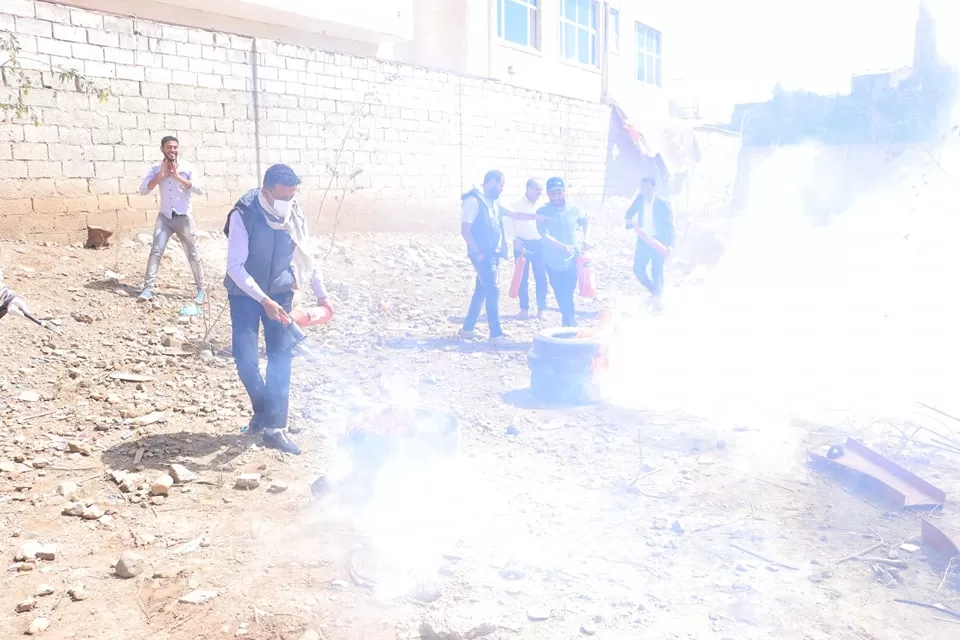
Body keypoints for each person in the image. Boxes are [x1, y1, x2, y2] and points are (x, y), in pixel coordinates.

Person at [223, 164, 332, 455]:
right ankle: (262, 408)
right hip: (245, 293)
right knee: (245, 358)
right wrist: (263, 300)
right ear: (267, 192)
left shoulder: (294, 213)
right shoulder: (243, 214)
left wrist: (323, 296)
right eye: (283, 197)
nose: (288, 202)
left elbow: (306, 256)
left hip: (280, 292)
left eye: (293, 195)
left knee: (281, 358)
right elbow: (235, 266)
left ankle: (275, 428)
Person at [137, 136, 205, 303]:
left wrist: (176, 177)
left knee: (192, 254)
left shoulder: (187, 168)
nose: (172, 150)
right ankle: (147, 289)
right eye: (169, 147)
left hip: (184, 218)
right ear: (162, 149)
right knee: (156, 251)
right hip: (165, 217)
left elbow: (199, 189)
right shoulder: (156, 169)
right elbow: (143, 190)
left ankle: (201, 290)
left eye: (175, 147)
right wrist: (160, 177)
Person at [459, 170, 508, 343]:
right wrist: (477, 251)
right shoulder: (473, 201)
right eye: (500, 184)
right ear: (490, 182)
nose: (502, 189)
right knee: (493, 290)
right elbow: (465, 230)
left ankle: (468, 328)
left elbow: (509, 215)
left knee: (481, 290)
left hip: (491, 254)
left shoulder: (493, 203)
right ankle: (495, 334)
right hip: (482, 256)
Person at [537, 177, 589, 327]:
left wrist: (585, 239)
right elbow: (544, 235)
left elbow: (585, 222)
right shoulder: (542, 212)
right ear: (548, 194)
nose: (556, 197)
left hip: (572, 260)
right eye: (552, 194)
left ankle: (568, 323)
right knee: (560, 293)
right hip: (553, 261)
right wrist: (561, 247)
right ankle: (570, 323)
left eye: (559, 193)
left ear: (565, 192)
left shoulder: (574, 209)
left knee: (569, 293)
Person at [502, 178, 547, 320]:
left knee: (541, 277)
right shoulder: (515, 205)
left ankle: (541, 309)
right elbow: (508, 223)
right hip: (522, 245)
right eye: (537, 190)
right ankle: (524, 308)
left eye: (541, 191)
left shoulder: (544, 206)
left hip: (540, 245)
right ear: (528, 189)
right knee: (522, 277)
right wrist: (514, 240)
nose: (539, 193)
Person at [625, 176, 675, 301]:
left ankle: (658, 302)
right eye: (642, 188)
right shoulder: (639, 199)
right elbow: (628, 214)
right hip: (643, 240)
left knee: (656, 271)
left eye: (646, 188)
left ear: (654, 188)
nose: (643, 191)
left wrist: (670, 245)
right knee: (638, 269)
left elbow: (670, 226)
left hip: (658, 242)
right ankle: (654, 291)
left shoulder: (663, 204)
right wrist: (630, 223)